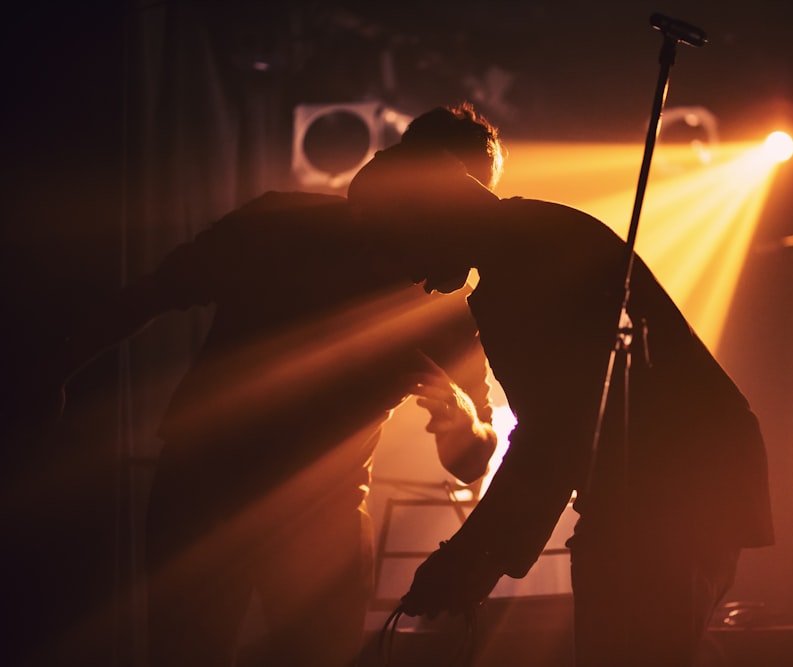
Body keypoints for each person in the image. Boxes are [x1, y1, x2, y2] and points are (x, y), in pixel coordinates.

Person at [46, 104, 503, 667]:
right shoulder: (280, 225)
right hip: (210, 492)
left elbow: (471, 462)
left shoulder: (448, 303)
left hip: (290, 512)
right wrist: (57, 368)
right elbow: (156, 291)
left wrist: (463, 416)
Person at [348, 144, 775, 666]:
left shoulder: (526, 266)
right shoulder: (532, 241)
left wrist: (473, 557)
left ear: (425, 212)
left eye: (392, 243)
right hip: (670, 488)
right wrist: (479, 557)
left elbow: (555, 433)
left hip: (669, 492)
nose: (407, 273)